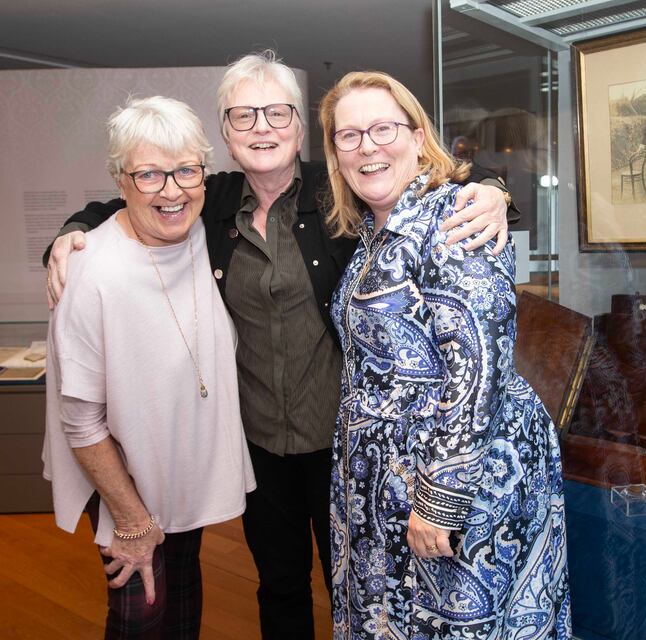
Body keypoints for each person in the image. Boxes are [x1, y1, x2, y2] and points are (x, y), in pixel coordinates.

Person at [43, 51, 514, 640]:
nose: (261, 127)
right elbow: (132, 199)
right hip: (259, 442)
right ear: (225, 133)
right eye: (244, 116)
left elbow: (437, 184)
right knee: (280, 584)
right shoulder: (209, 201)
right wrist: (69, 233)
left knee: (359, 583)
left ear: (300, 127)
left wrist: (495, 190)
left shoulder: (344, 189)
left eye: (276, 113)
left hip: (343, 446)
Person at [319, 71, 571, 639]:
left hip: (457, 473)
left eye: (383, 128)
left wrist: (440, 498)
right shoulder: (369, 232)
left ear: (416, 135)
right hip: (383, 477)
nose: (368, 146)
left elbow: (480, 366)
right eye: (349, 135)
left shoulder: (454, 216)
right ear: (335, 154)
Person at [42, 96, 256, 639]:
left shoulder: (203, 233)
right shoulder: (90, 270)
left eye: (186, 170)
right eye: (149, 175)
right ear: (121, 179)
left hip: (176, 462)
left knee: (182, 593)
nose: (172, 190)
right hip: (119, 479)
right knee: (142, 613)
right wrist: (133, 521)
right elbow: (81, 422)